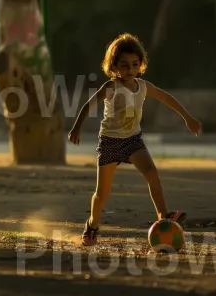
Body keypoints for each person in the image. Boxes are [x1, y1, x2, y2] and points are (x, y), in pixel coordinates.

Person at [68, 33, 202, 247]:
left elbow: (167, 98)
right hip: (110, 143)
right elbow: (88, 106)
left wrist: (188, 118)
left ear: (141, 65)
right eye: (124, 65)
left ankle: (163, 216)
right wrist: (76, 128)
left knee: (152, 173)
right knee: (102, 193)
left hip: (133, 141)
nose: (130, 69)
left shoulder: (144, 86)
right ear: (114, 67)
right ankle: (92, 225)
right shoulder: (111, 87)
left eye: (134, 64)